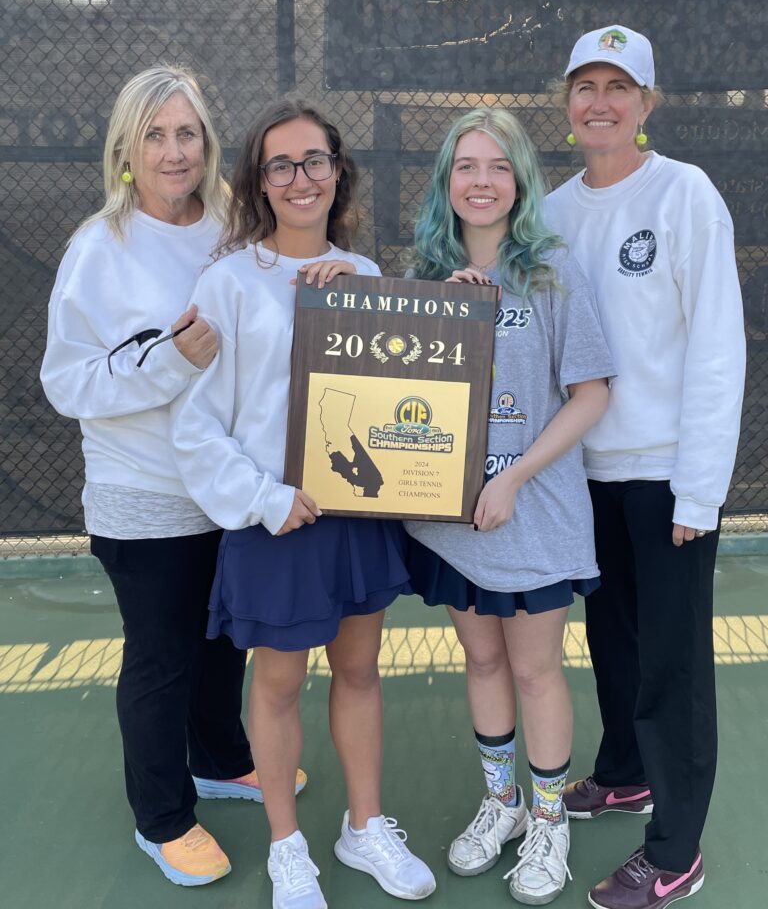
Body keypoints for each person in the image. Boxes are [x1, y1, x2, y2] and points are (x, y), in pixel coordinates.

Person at [40, 66, 307, 887]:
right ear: (127, 148)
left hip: (226, 482)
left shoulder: (231, 222)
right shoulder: (99, 248)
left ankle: (221, 757)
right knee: (161, 657)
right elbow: (66, 383)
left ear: (207, 142)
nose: (173, 150)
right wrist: (165, 361)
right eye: (154, 134)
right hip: (144, 496)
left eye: (186, 133)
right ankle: (161, 817)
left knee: (222, 637)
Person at [170, 96, 437, 909]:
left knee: (359, 672)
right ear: (259, 181)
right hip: (275, 520)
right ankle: (289, 849)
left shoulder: (362, 276)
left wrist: (379, 291)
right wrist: (264, 498)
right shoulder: (226, 283)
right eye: (280, 164)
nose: (299, 178)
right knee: (279, 685)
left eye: (313, 160)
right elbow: (196, 427)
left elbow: (403, 400)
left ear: (337, 171)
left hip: (353, 513)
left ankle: (364, 827)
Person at [545, 25, 746, 909]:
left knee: (672, 662)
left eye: (618, 87)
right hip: (580, 475)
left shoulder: (685, 196)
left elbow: (716, 349)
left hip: (666, 474)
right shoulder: (548, 213)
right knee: (611, 640)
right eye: (585, 85)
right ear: (567, 104)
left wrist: (699, 487)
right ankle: (624, 771)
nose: (600, 101)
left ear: (647, 105)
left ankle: (674, 850)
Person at [404, 108, 614, 904]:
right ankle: (503, 804)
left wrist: (514, 476)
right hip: (454, 521)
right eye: (466, 166)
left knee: (534, 669)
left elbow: (590, 395)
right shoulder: (425, 276)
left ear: (520, 179)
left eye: (497, 166)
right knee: (482, 660)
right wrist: (450, 319)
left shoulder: (552, 270)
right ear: (446, 182)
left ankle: (551, 819)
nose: (482, 181)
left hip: (531, 512)